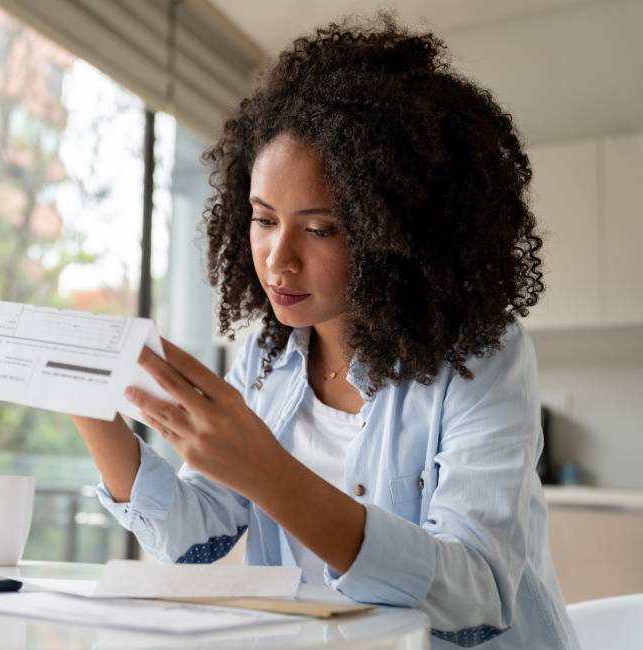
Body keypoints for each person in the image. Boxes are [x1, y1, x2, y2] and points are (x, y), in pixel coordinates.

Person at [71, 14, 579, 650]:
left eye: (320, 229)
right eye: (262, 220)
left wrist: (269, 475)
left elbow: (474, 591)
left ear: (394, 231)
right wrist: (89, 405)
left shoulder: (481, 355)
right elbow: (191, 538)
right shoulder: (265, 357)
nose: (278, 259)